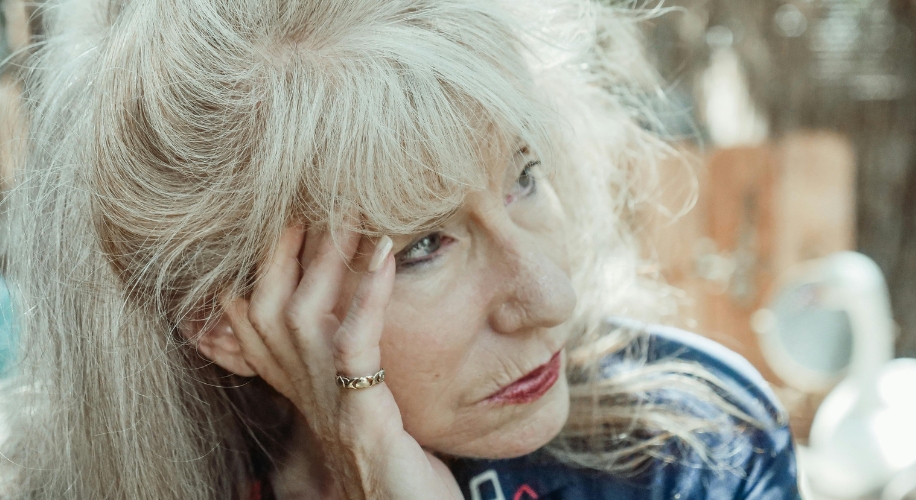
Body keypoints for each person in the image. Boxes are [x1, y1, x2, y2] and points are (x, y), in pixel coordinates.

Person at [0, 0, 800, 498]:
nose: (550, 297)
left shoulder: (694, 447)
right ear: (226, 322)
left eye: (524, 176)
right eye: (424, 245)